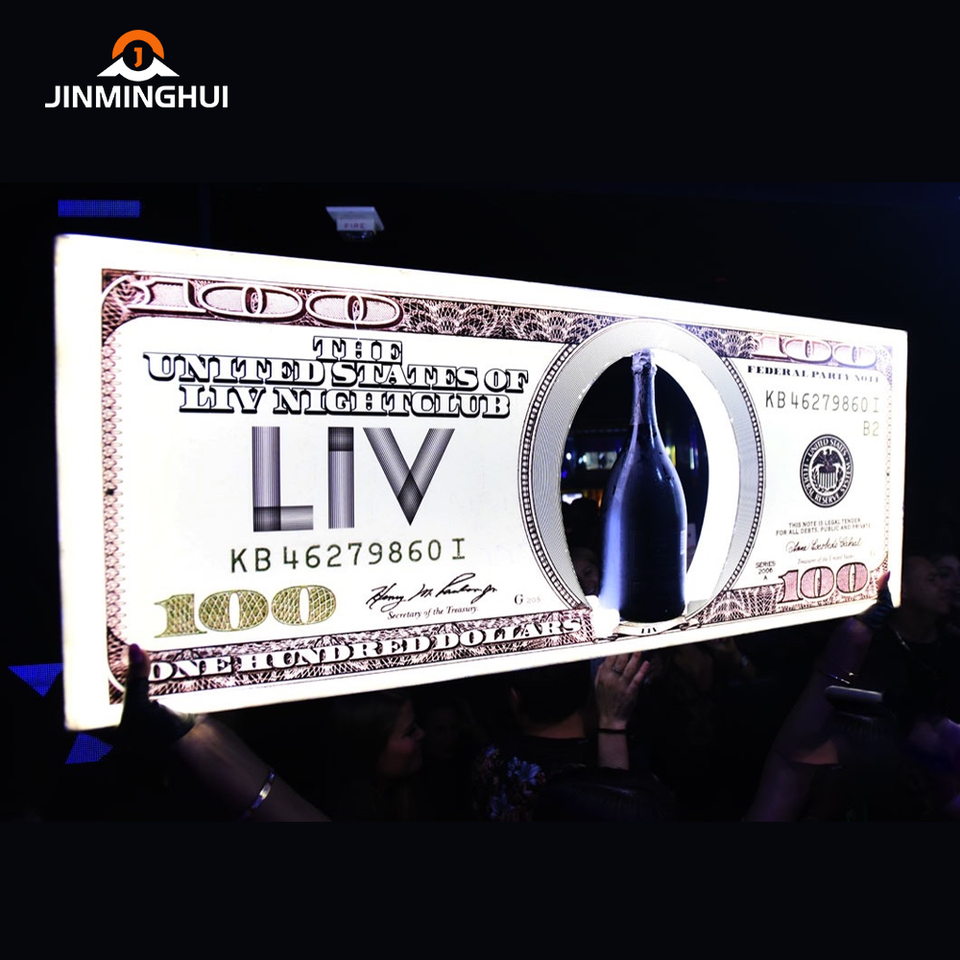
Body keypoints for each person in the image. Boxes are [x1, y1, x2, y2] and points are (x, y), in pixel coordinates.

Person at [471, 652, 661, 820]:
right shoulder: (605, 767)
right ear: (589, 690)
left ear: (515, 699)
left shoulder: (490, 759)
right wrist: (613, 723)